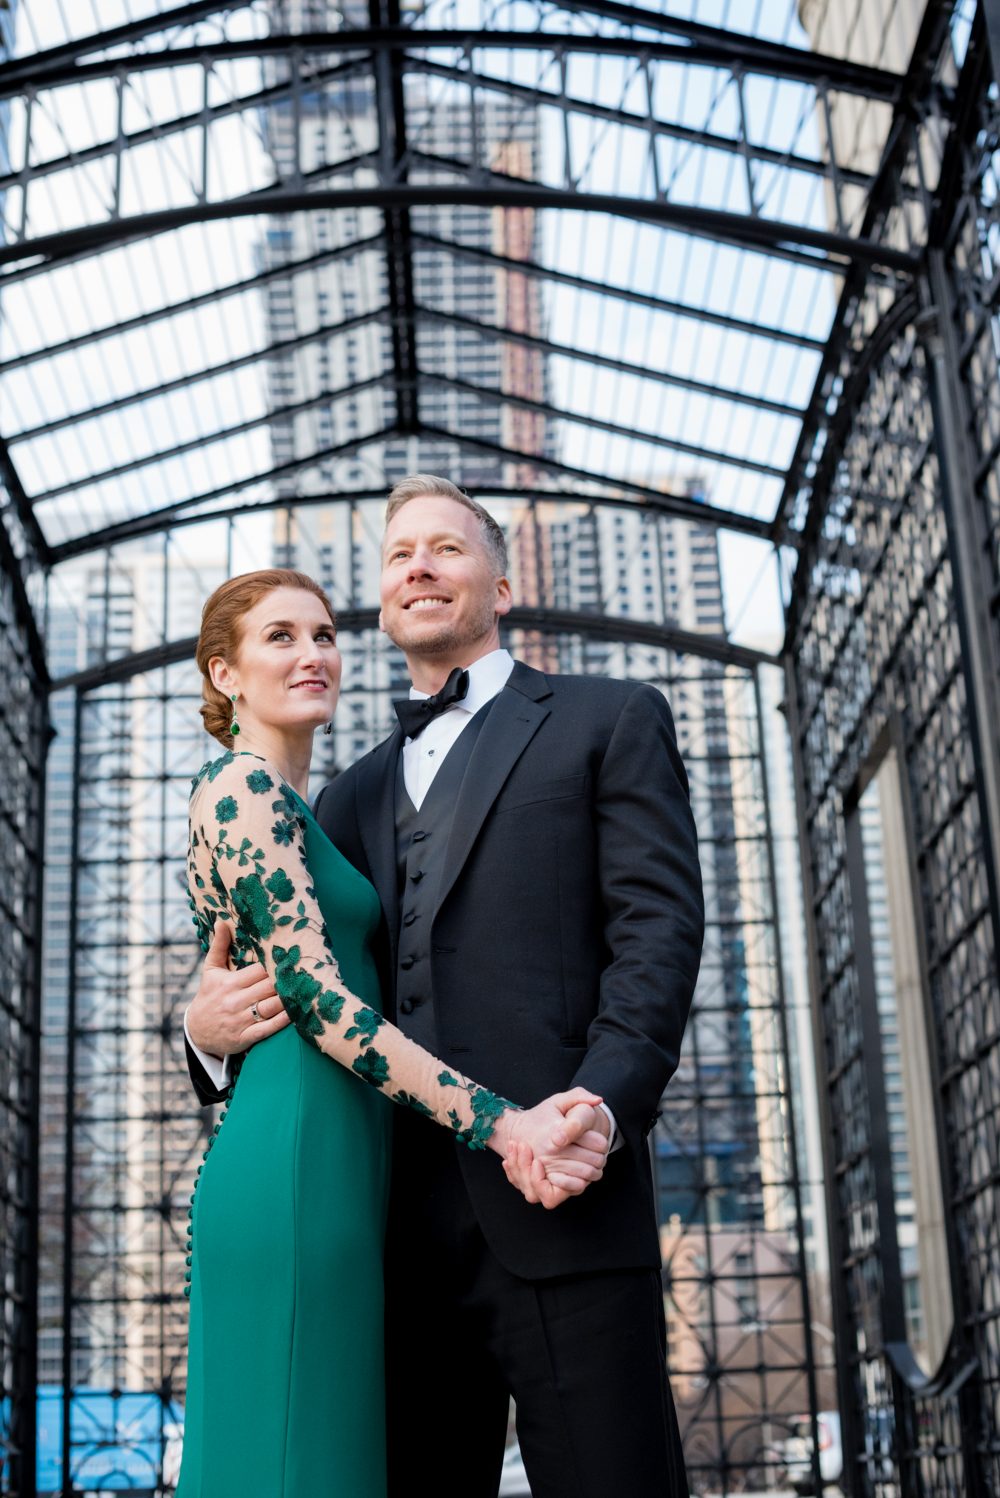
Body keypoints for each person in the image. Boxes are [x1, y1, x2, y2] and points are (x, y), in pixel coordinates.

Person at [186, 478, 705, 1498]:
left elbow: (658, 931)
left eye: (445, 549)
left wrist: (598, 1104)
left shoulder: (609, 719)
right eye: (396, 555)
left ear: (501, 582)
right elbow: (281, 964)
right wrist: (204, 1033)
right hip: (383, 1233)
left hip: (561, 1191)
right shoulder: (339, 793)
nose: (417, 566)